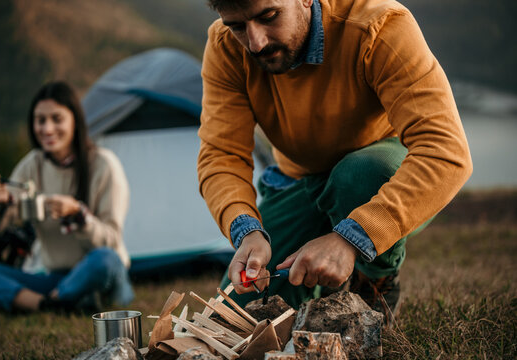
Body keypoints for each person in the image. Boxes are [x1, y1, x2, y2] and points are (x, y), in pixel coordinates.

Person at [197, 0, 473, 322]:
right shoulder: (225, 46)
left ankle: (373, 278)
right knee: (233, 321)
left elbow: (446, 150)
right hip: (297, 185)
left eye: (269, 16)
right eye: (238, 26)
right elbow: (222, 154)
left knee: (357, 175)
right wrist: (247, 231)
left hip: (374, 176)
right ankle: (326, 282)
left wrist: (351, 239)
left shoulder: (379, 26)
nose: (256, 42)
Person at [0, 81, 133, 313]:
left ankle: (56, 300)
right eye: (40, 120)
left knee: (105, 259)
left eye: (57, 119)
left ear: (74, 121)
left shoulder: (104, 164)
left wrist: (78, 215)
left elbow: (111, 242)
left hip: (101, 273)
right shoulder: (32, 166)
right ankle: (49, 303)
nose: (47, 129)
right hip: (55, 280)